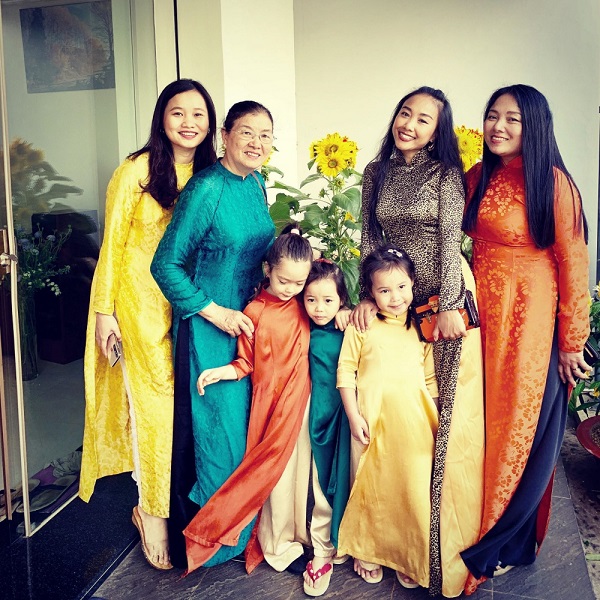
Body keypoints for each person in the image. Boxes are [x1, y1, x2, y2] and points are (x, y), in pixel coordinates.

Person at [350, 86, 484, 596]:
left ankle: (435, 543)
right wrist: (368, 295)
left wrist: (448, 304)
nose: (409, 124)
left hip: (441, 306)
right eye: (405, 113)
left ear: (436, 131)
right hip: (393, 303)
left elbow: (451, 240)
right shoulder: (375, 172)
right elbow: (369, 239)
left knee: (441, 418)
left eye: (424, 119)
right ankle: (392, 538)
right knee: (396, 421)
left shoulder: (446, 174)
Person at [79, 79, 217, 570]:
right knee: (155, 410)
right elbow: (112, 245)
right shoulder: (136, 170)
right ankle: (152, 512)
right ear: (162, 118)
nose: (188, 123)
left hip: (191, 307)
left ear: (211, 123)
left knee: (189, 408)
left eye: (198, 114)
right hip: (140, 308)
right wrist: (104, 312)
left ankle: (184, 505)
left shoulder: (211, 174)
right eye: (178, 112)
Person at [460, 84, 590, 593]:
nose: (498, 126)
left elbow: (574, 265)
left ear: (534, 125)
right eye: (492, 115)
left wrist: (571, 341)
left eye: (512, 119)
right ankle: (469, 520)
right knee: (480, 421)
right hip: (481, 318)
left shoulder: (553, 183)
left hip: (529, 322)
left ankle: (504, 541)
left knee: (516, 427)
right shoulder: (479, 175)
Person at [150, 100, 276, 569]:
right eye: (247, 132)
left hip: (250, 326)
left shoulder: (255, 183)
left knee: (248, 431)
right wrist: (215, 312)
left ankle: (241, 533)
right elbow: (165, 265)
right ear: (225, 136)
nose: (256, 143)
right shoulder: (206, 188)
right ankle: (208, 544)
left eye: (265, 135)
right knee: (219, 436)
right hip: (209, 329)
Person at [190, 226, 314, 574]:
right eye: (284, 281)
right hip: (270, 406)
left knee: (297, 473)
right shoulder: (255, 310)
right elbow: (245, 362)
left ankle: (297, 536)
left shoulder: (305, 303)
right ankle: (272, 544)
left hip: (301, 401)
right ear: (267, 270)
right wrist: (219, 372)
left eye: (299, 283)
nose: (290, 289)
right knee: (270, 475)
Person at [337, 244, 440, 590]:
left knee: (410, 489)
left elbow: (430, 379)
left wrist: (438, 421)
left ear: (413, 284)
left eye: (401, 287)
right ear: (370, 293)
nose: (395, 297)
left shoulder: (421, 327)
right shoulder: (362, 325)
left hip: (414, 425)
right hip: (371, 422)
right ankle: (367, 549)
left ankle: (407, 554)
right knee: (372, 490)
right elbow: (346, 372)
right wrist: (353, 416)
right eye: (384, 290)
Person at [302, 259, 351, 597]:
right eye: (311, 300)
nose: (319, 308)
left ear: (342, 300)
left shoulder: (349, 326)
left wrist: (348, 315)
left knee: (346, 478)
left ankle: (348, 540)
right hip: (315, 414)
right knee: (320, 484)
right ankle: (322, 547)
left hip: (346, 414)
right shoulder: (300, 326)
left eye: (328, 300)